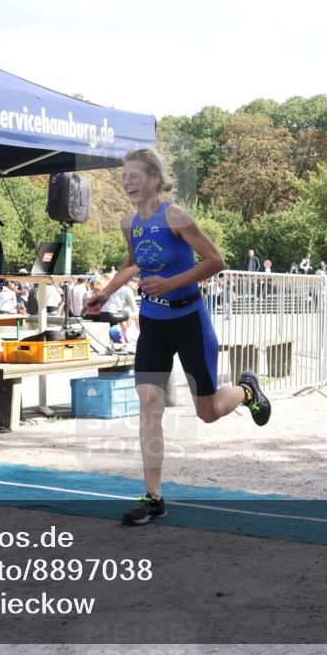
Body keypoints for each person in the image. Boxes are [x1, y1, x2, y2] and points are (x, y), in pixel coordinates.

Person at [84, 148, 270, 527]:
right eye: (125, 177)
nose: (128, 182)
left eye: (134, 175)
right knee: (149, 403)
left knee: (207, 412)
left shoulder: (177, 217)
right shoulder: (130, 222)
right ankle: (153, 497)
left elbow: (216, 260)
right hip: (153, 323)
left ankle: (246, 391)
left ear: (154, 179)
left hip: (189, 321)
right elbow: (133, 262)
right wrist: (106, 290)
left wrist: (171, 282)